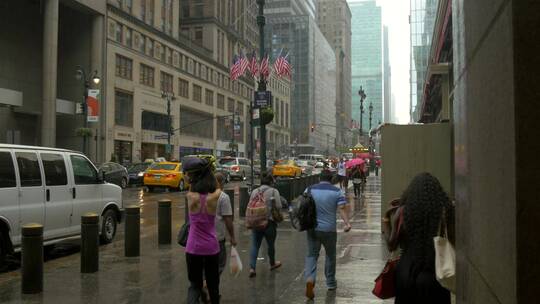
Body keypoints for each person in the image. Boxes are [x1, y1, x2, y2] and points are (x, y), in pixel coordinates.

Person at [393, 172, 454, 304]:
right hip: (434, 274)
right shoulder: (445, 212)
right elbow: (454, 241)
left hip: (406, 272)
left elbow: (391, 244)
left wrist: (386, 219)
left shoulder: (402, 211)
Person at [304, 169, 352, 300]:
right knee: (330, 256)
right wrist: (347, 223)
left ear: (319, 178)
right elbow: (341, 209)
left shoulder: (309, 189)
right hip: (329, 229)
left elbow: (303, 206)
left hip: (312, 228)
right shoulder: (337, 192)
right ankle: (330, 283)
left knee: (312, 254)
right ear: (331, 179)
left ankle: (309, 278)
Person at [183, 157, 221, 304]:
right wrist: (209, 171)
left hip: (193, 248)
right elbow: (218, 186)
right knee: (213, 286)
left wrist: (198, 172)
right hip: (212, 247)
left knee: (194, 285)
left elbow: (189, 182)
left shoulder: (190, 196)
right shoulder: (214, 197)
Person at [248, 172, 282, 278]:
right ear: (271, 181)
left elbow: (250, 204)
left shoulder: (254, 191)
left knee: (255, 245)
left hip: (256, 222)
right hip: (269, 222)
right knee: (270, 245)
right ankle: (272, 263)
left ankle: (252, 268)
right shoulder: (273, 191)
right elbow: (279, 206)